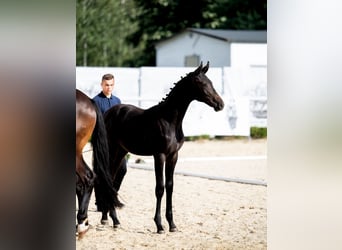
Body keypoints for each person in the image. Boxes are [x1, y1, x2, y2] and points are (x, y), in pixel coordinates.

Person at [93, 73, 127, 191]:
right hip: (103, 143)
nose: (109, 87)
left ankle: (113, 193)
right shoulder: (95, 101)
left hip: (118, 144)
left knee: (122, 169)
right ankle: (100, 200)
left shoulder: (118, 101)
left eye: (111, 85)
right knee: (101, 171)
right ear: (102, 85)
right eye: (106, 85)